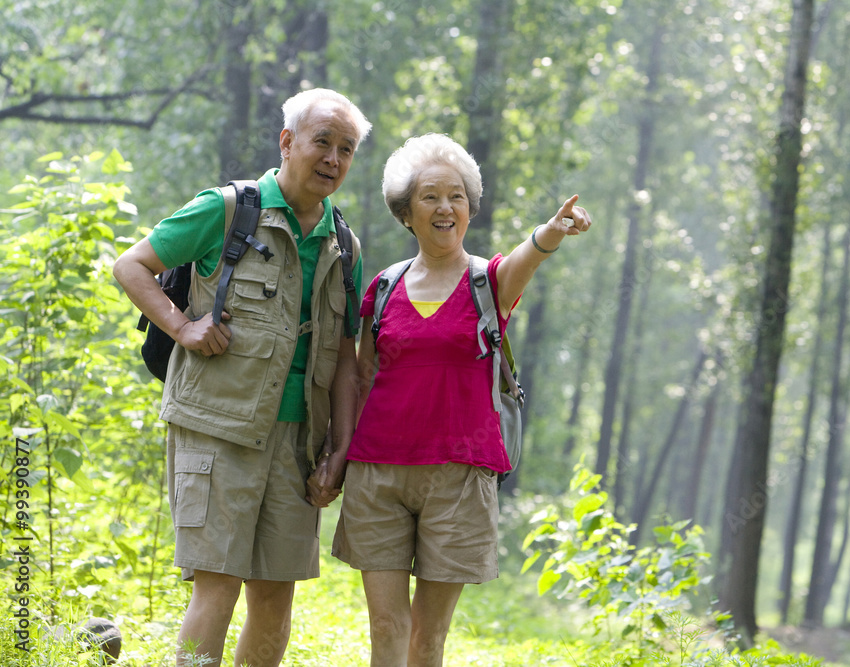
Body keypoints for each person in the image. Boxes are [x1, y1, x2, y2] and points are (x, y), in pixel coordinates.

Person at [113, 88, 371, 667]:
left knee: (276, 596)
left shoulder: (345, 246)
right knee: (218, 586)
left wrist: (340, 448)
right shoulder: (227, 210)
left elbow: (347, 360)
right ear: (287, 141)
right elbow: (130, 266)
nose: (333, 158)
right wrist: (183, 327)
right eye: (322, 142)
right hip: (216, 429)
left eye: (346, 149)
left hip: (298, 442)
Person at [331, 133, 593, 667]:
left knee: (428, 636)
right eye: (430, 196)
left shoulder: (488, 284)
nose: (445, 207)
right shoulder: (383, 287)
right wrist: (337, 456)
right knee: (386, 626)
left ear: (470, 208)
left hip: (459, 476)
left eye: (456, 196)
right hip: (377, 472)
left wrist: (551, 231)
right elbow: (361, 377)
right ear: (407, 212)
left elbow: (529, 256)